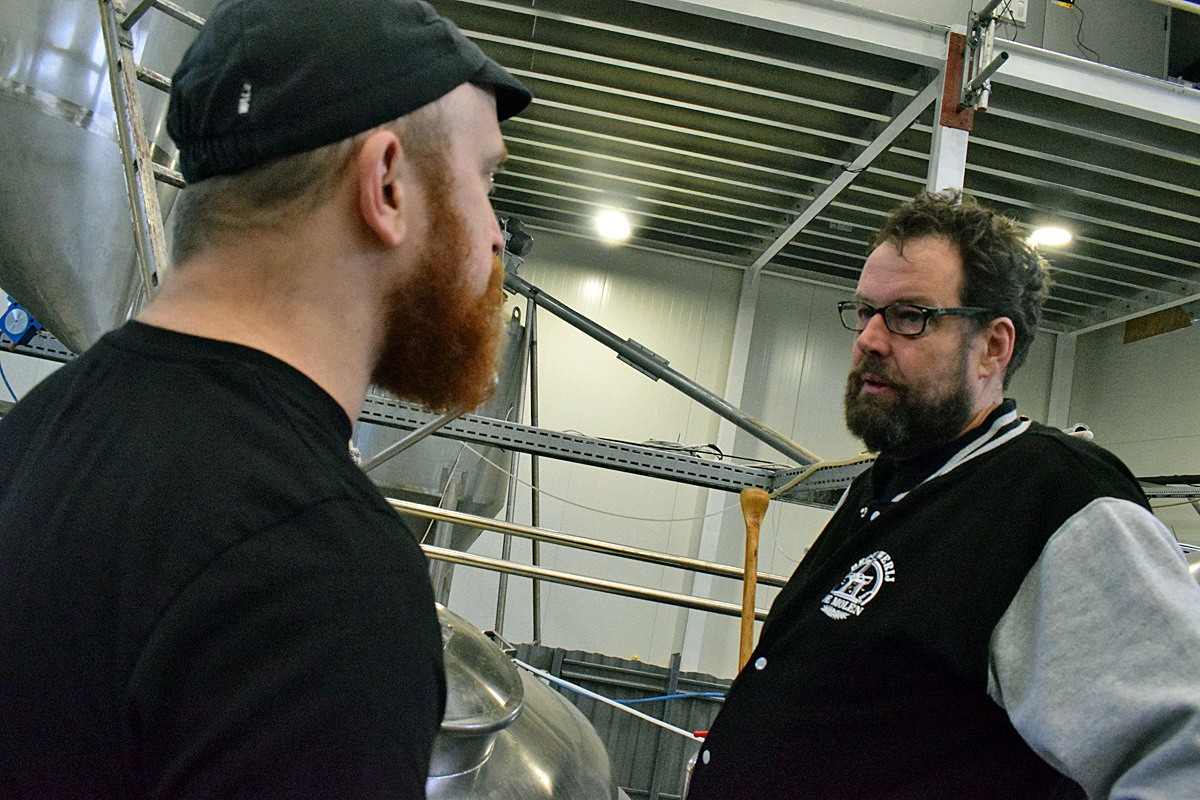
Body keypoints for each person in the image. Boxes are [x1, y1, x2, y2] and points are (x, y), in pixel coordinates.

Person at [0, 0, 529, 797]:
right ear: (387, 184)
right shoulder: (322, 578)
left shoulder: (30, 444)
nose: (495, 236)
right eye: (484, 179)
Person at [686, 191, 1200, 799]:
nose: (870, 339)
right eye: (866, 311)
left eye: (910, 316)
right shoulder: (888, 486)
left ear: (993, 348)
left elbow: (1182, 755)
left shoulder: (1053, 499)